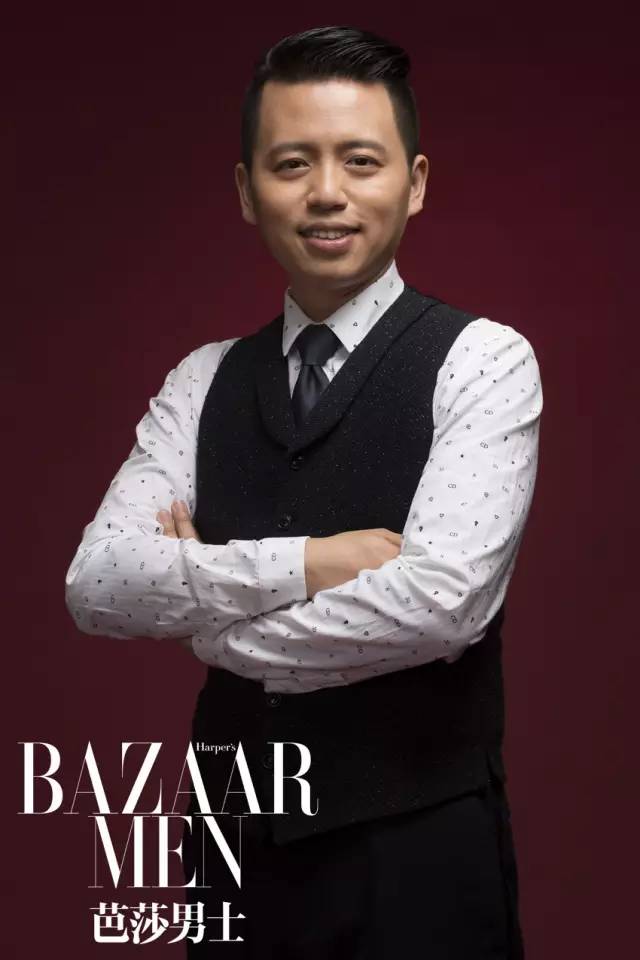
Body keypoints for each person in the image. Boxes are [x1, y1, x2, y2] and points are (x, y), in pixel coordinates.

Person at [65, 24, 542, 959]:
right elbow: (98, 583)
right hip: (232, 847)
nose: (327, 192)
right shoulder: (202, 378)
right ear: (249, 191)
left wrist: (211, 625)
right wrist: (312, 563)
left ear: (414, 182)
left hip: (420, 854)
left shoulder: (484, 360)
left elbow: (441, 604)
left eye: (361, 160)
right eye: (292, 163)